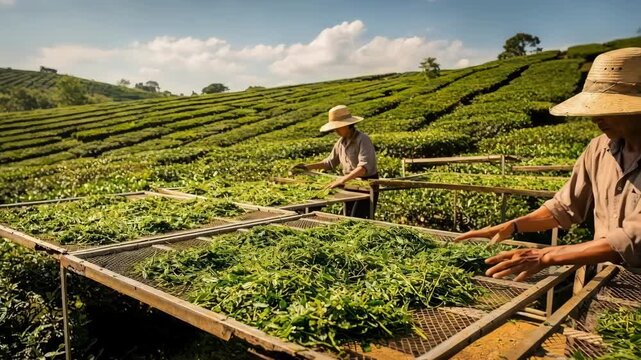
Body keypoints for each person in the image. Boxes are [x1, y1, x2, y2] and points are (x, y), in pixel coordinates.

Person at [455, 47, 641, 281]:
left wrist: (547, 255)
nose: (596, 118)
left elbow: (633, 239)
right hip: (600, 279)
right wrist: (513, 225)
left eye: (608, 109)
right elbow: (565, 207)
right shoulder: (599, 148)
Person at [293, 105, 378, 218]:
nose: (335, 130)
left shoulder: (362, 139)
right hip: (350, 184)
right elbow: (329, 163)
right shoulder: (340, 142)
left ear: (348, 125)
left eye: (338, 127)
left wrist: (342, 180)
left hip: (366, 185)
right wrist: (307, 167)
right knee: (349, 216)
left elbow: (363, 168)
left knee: (361, 217)